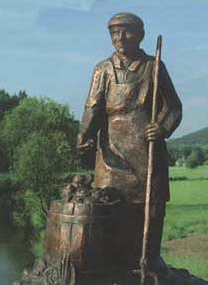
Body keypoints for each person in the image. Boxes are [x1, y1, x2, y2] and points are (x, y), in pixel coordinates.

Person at [77, 12, 182, 272]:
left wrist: (162, 127)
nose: (120, 38)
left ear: (141, 35)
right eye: (114, 33)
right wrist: (84, 135)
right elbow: (92, 107)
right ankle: (114, 262)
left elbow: (175, 107)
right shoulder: (102, 69)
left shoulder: (153, 66)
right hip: (111, 152)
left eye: (126, 32)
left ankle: (149, 259)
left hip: (147, 149)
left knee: (151, 207)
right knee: (110, 206)